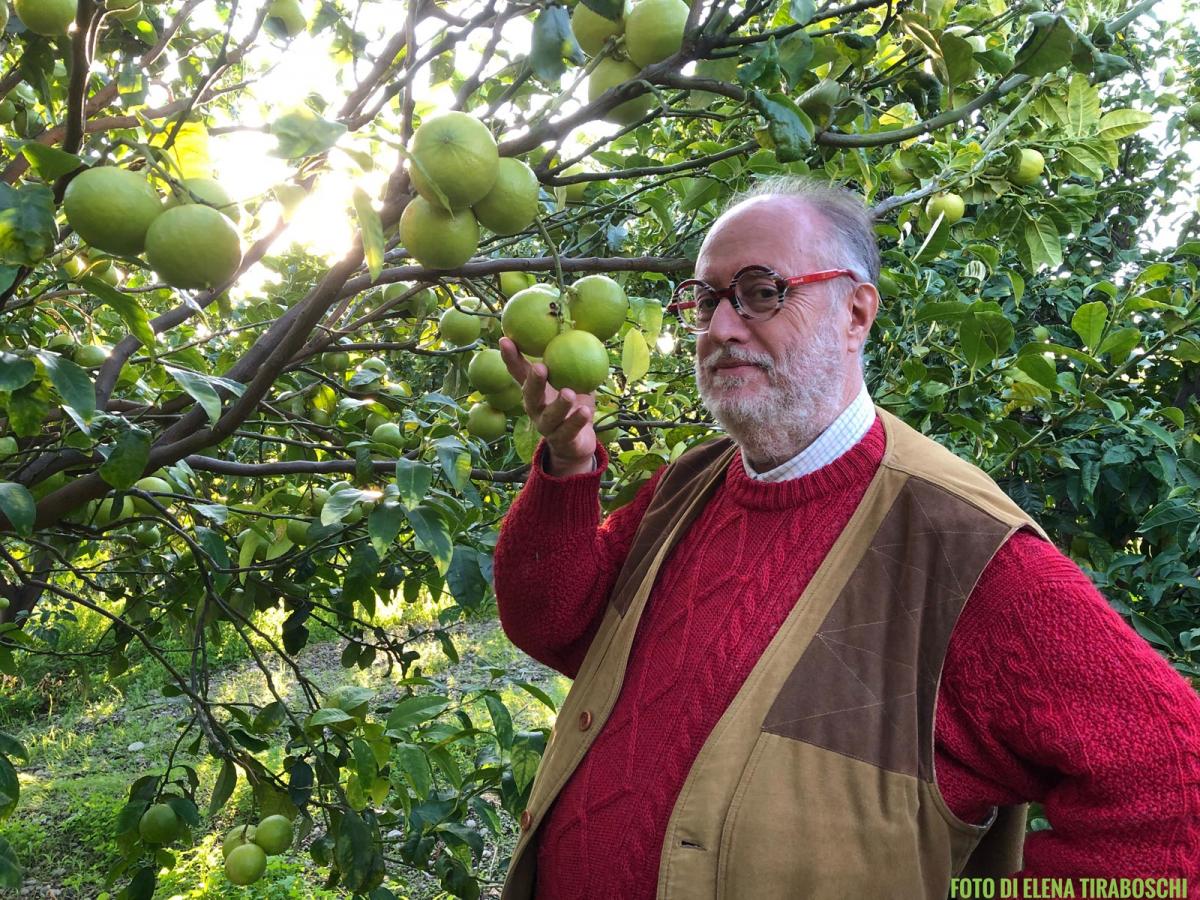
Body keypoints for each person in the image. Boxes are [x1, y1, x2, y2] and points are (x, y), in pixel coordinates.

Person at [491, 175, 1200, 900]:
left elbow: (1179, 788)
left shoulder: (962, 548)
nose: (723, 327)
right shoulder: (689, 486)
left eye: (762, 291)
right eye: (706, 300)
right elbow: (553, 624)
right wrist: (567, 466)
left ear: (856, 312)